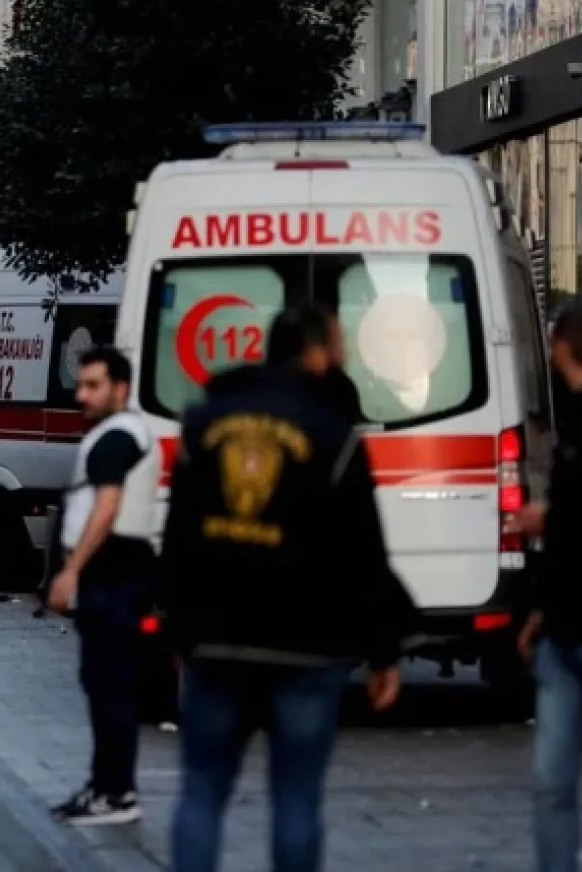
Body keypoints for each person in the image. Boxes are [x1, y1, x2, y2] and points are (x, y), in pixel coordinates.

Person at [160, 304, 415, 872]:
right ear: (319, 351)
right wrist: (383, 651)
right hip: (308, 646)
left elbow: (180, 537)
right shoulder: (334, 435)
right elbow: (363, 554)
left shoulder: (206, 423)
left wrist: (176, 629)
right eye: (340, 343)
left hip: (218, 640)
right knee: (296, 799)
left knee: (201, 791)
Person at [515, 302, 582, 872]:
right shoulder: (575, 417)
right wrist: (539, 611)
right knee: (550, 780)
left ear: (570, 347)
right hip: (566, 627)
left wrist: (548, 521)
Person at [46, 347, 160, 825]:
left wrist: (72, 571)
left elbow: (107, 507)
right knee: (104, 684)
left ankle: (116, 793)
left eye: (93, 385)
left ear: (120, 388)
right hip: (115, 572)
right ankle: (106, 786)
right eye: (82, 384)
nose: (82, 395)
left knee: (110, 686)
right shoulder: (120, 434)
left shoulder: (117, 438)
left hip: (114, 573)